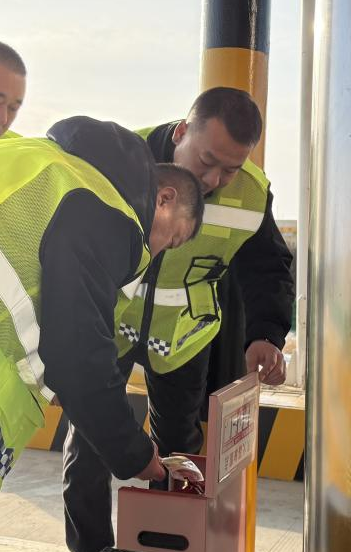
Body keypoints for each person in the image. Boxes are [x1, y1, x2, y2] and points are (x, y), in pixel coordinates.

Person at [0, 116, 205, 552]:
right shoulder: (109, 213)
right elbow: (79, 355)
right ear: (165, 198)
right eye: (169, 241)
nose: (155, 254)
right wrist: (137, 454)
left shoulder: (36, 161)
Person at [63, 87, 294, 552]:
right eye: (207, 160)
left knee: (180, 454)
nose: (214, 179)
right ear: (182, 131)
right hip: (109, 329)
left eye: (231, 167)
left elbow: (268, 267)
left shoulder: (250, 193)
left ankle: (163, 543)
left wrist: (266, 334)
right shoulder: (123, 161)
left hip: (184, 337)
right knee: (89, 452)